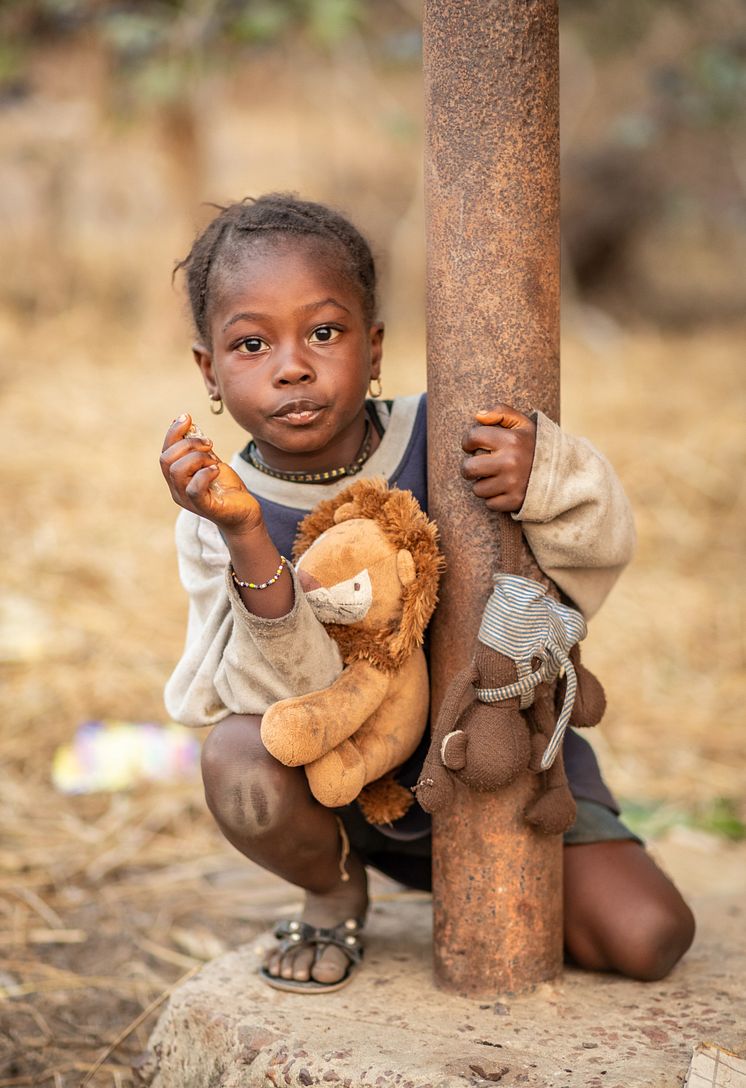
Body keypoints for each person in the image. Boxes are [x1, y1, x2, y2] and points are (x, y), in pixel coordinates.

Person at [159, 192, 695, 993]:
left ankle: (478, 867)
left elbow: (601, 538)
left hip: (503, 769)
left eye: (325, 332)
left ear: (374, 349)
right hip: (339, 792)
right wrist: (246, 538)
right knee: (237, 757)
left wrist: (542, 473)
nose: (292, 364)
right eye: (251, 342)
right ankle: (336, 886)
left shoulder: (444, 435)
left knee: (652, 936)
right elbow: (274, 695)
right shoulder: (219, 508)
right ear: (209, 370)